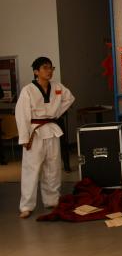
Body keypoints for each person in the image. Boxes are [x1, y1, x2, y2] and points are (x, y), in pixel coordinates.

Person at [16, 57, 75, 218]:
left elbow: (69, 98)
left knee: (53, 167)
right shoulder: (28, 90)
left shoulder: (57, 87)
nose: (49, 71)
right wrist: (24, 138)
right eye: (45, 68)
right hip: (34, 132)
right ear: (36, 71)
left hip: (52, 129)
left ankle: (52, 200)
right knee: (31, 169)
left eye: (51, 68)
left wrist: (56, 113)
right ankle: (26, 206)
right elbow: (21, 115)